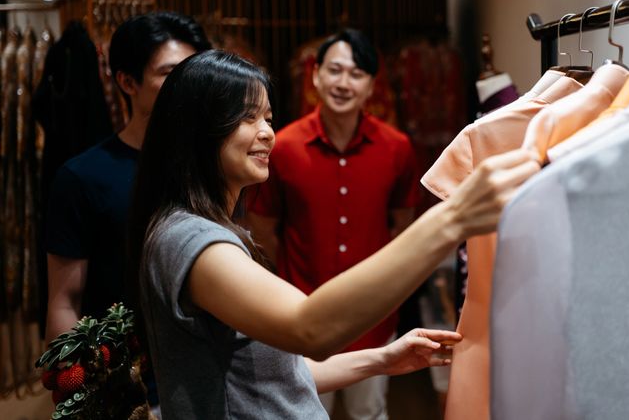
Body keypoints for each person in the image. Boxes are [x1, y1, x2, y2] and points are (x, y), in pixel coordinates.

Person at [126, 50, 537, 419]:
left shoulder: (215, 228)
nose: (267, 131)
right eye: (246, 117)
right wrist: (453, 218)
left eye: (267, 117)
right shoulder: (188, 239)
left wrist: (382, 359)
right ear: (198, 129)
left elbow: (276, 372)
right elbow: (310, 329)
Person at [244, 28, 418, 418]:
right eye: (334, 70)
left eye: (356, 73)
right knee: (302, 412)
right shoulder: (282, 146)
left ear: (372, 84)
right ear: (316, 75)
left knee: (369, 412)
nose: (343, 83)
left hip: (372, 318)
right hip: (301, 315)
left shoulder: (397, 148)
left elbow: (403, 230)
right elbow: (263, 231)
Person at [43, 11, 211, 411]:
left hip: (206, 371)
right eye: (170, 72)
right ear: (127, 81)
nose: (185, 85)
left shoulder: (213, 166)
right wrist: (77, 393)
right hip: (126, 384)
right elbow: (65, 298)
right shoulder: (83, 176)